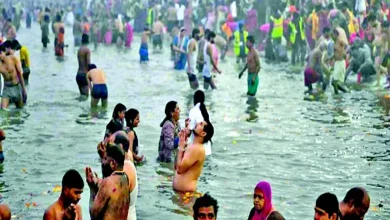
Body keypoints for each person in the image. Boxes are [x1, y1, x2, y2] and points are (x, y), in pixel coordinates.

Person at [96, 142, 138, 220]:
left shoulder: (122, 174)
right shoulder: (126, 169)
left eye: (105, 159)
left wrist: (93, 187)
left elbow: (95, 213)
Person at [86, 145, 130, 220]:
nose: (102, 162)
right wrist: (97, 182)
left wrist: (92, 188)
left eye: (105, 159)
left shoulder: (107, 183)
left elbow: (93, 214)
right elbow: (112, 190)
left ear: (112, 163)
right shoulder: (125, 179)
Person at [173, 112, 214, 192]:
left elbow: (180, 169)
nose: (198, 123)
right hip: (180, 193)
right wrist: (182, 143)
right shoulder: (191, 145)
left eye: (201, 124)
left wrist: (181, 147)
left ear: (203, 133)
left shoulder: (198, 149)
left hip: (187, 196)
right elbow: (176, 166)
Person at [0, 43, 27, 109]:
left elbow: (20, 74)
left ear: (4, 52)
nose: (0, 56)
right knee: (3, 110)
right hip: (7, 90)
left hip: (16, 87)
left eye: (0, 53)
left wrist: (24, 90)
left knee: (21, 110)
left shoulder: (13, 59)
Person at [187, 90, 212, 156]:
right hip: (207, 148)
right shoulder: (207, 112)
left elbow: (189, 130)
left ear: (194, 100)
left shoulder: (193, 111)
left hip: (196, 149)